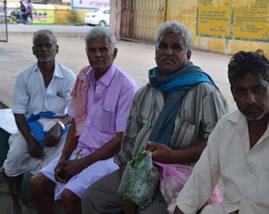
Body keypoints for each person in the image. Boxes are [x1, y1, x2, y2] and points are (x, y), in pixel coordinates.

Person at [82, 21, 228, 214]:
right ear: (156, 52)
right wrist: (130, 183)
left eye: (176, 47)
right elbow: (129, 142)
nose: (168, 52)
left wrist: (174, 156)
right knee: (93, 199)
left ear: (188, 55)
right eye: (163, 46)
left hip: (181, 176)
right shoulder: (144, 93)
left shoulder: (204, 92)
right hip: (138, 171)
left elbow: (219, 145)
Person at [174, 50, 269, 214]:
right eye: (241, 91)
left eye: (258, 89)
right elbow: (199, 181)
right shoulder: (226, 128)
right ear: (233, 94)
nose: (250, 99)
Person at [29, 26, 137, 214]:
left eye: (103, 49)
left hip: (109, 158)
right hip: (81, 150)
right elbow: (76, 125)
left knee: (70, 196)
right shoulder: (83, 79)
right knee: (37, 184)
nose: (97, 55)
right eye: (92, 50)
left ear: (115, 52)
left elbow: (120, 139)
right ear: (86, 52)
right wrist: (63, 159)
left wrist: (79, 165)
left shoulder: (126, 86)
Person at [1, 29, 75, 214]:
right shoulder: (24, 77)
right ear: (33, 51)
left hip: (60, 128)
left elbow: (74, 111)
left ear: (56, 49)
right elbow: (18, 113)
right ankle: (17, 202)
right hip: (30, 127)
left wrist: (59, 126)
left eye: (47, 45)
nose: (43, 50)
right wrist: (30, 140)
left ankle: (48, 202)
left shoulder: (68, 77)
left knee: (56, 165)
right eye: (39, 46)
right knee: (13, 160)